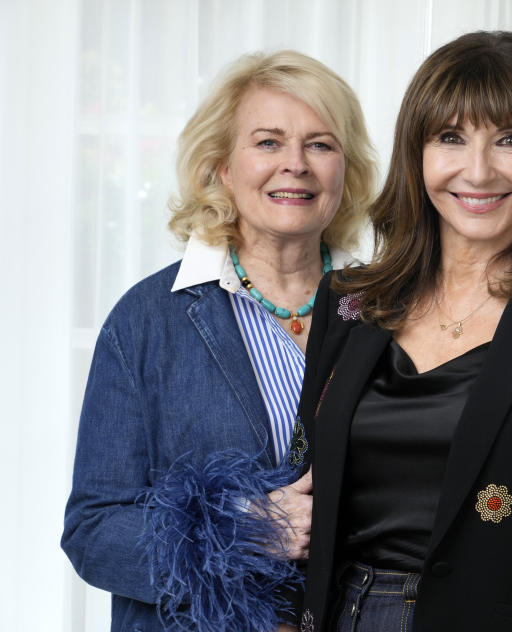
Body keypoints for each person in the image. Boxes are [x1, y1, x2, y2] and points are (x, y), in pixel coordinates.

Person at [293, 31, 512, 631]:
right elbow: (304, 494)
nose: (478, 171)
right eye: (451, 137)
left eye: (510, 140)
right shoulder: (350, 302)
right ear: (418, 153)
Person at [61, 50, 377, 632]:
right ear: (223, 168)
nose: (296, 165)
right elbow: (94, 530)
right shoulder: (147, 320)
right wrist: (241, 529)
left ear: (345, 170)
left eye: (321, 144)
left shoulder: (388, 310)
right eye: (267, 142)